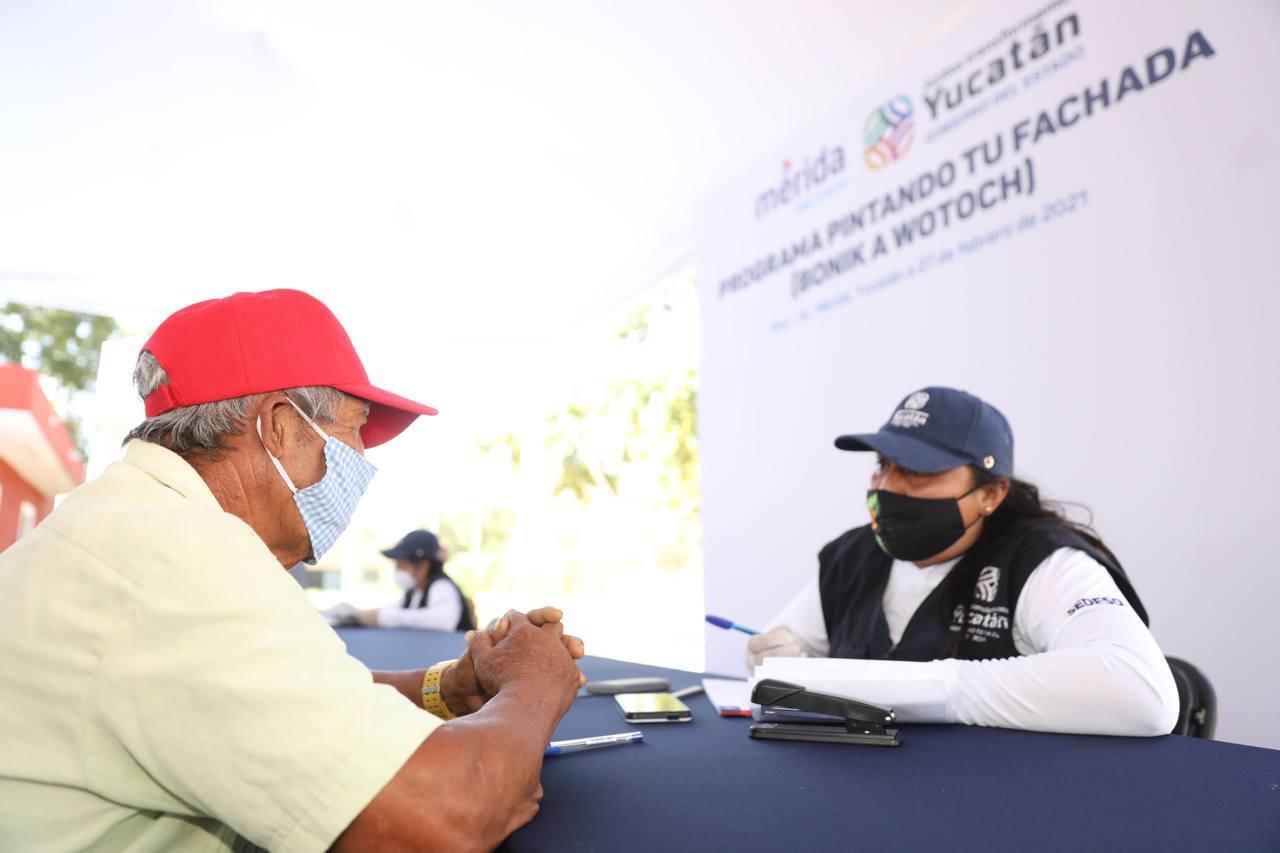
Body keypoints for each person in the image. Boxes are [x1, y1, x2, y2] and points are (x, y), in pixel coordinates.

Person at [0, 289, 586, 852]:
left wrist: (448, 689)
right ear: (279, 426)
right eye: (354, 428)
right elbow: (443, 818)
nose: (361, 457)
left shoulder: (131, 523)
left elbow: (276, 698)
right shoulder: (183, 563)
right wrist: (534, 684)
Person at [747, 386, 1179, 737]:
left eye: (917, 471)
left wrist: (934, 688)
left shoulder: (1040, 560)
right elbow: (781, 660)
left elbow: (1141, 692)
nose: (888, 488)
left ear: (990, 494)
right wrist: (770, 658)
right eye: (883, 465)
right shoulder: (851, 555)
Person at [335, 529, 477, 631]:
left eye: (401, 564)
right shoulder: (415, 593)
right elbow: (392, 609)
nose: (397, 569)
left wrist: (384, 617)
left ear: (422, 565)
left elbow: (443, 621)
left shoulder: (442, 587)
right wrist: (356, 614)